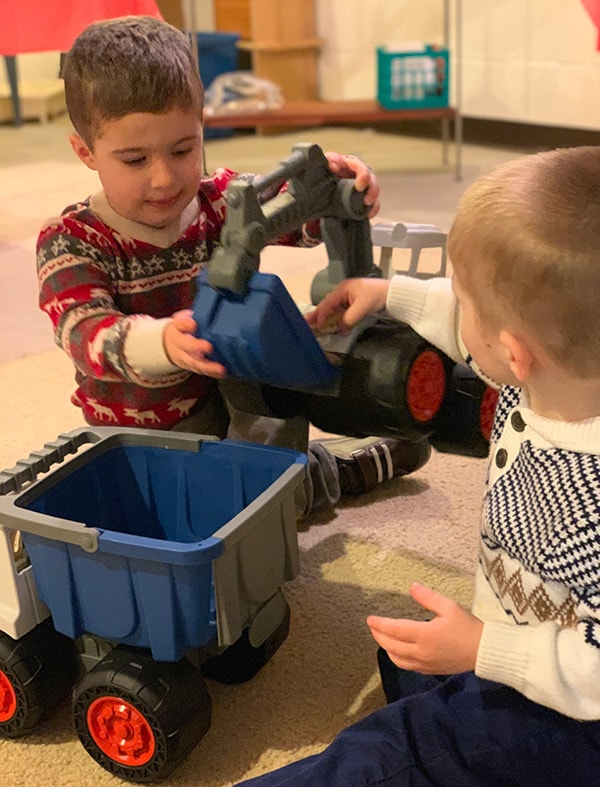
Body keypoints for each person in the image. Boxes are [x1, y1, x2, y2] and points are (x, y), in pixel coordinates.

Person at [195, 145, 600, 787]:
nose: (453, 313)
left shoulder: (588, 496)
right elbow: (476, 330)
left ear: (518, 355)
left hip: (575, 718)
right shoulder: (563, 365)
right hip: (531, 639)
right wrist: (392, 294)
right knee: (406, 659)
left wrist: (485, 652)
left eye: (463, 300)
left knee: (395, 752)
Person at [37, 15, 431, 519]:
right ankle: (338, 472)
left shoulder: (218, 199)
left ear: (203, 126)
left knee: (265, 489)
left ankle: (324, 472)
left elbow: (295, 217)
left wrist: (338, 191)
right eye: (134, 160)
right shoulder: (71, 241)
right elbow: (86, 333)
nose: (163, 179)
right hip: (135, 437)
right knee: (186, 518)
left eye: (183, 149)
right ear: (85, 152)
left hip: (228, 404)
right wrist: (162, 342)